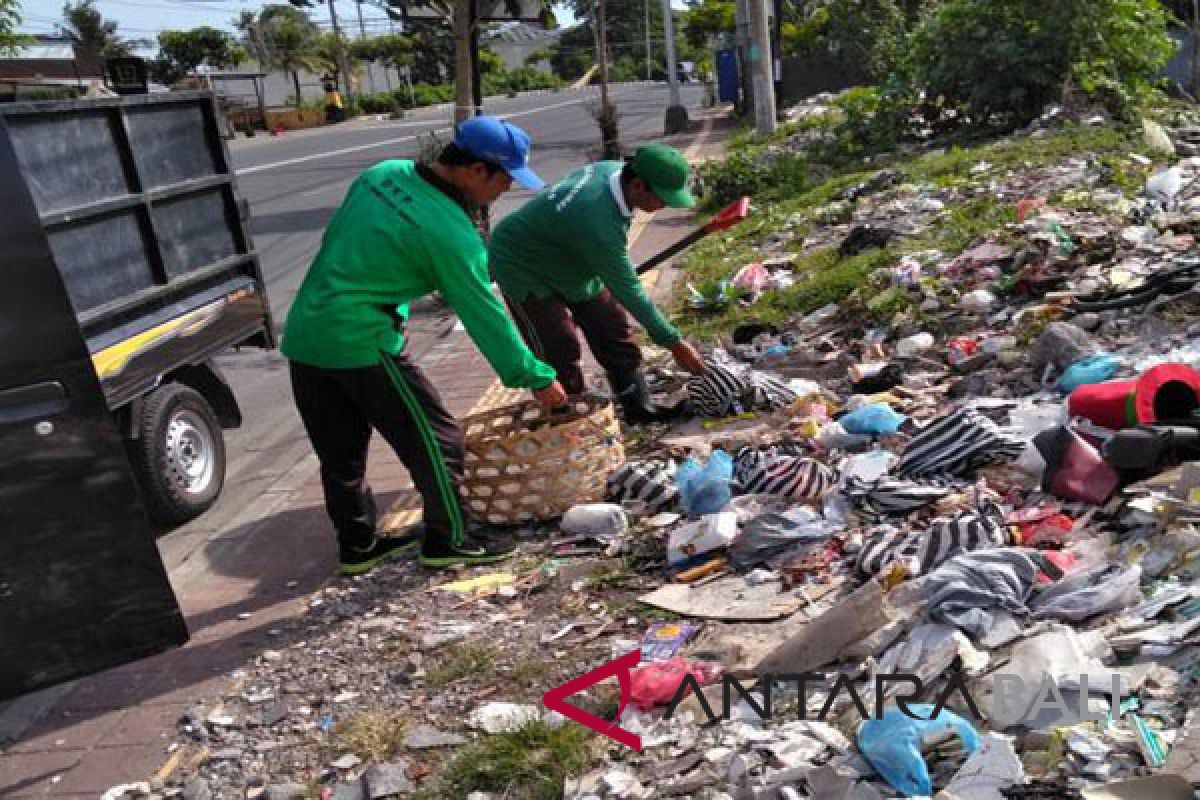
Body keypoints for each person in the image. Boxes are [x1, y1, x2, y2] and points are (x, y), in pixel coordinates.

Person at [282, 116, 567, 576]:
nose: (504, 190)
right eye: (505, 179)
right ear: (476, 170)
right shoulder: (453, 235)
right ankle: (449, 539)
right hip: (361, 340)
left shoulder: (381, 175)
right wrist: (536, 376)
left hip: (306, 331)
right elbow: (485, 317)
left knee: (341, 455)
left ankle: (357, 547)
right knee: (436, 439)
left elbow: (346, 244)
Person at [487, 143, 707, 423]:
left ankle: (639, 409)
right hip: (521, 264)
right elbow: (629, 290)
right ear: (638, 185)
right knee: (559, 345)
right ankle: (569, 421)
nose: (663, 206)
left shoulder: (611, 172)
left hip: (570, 256)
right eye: (662, 198)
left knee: (612, 326)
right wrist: (673, 342)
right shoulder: (598, 223)